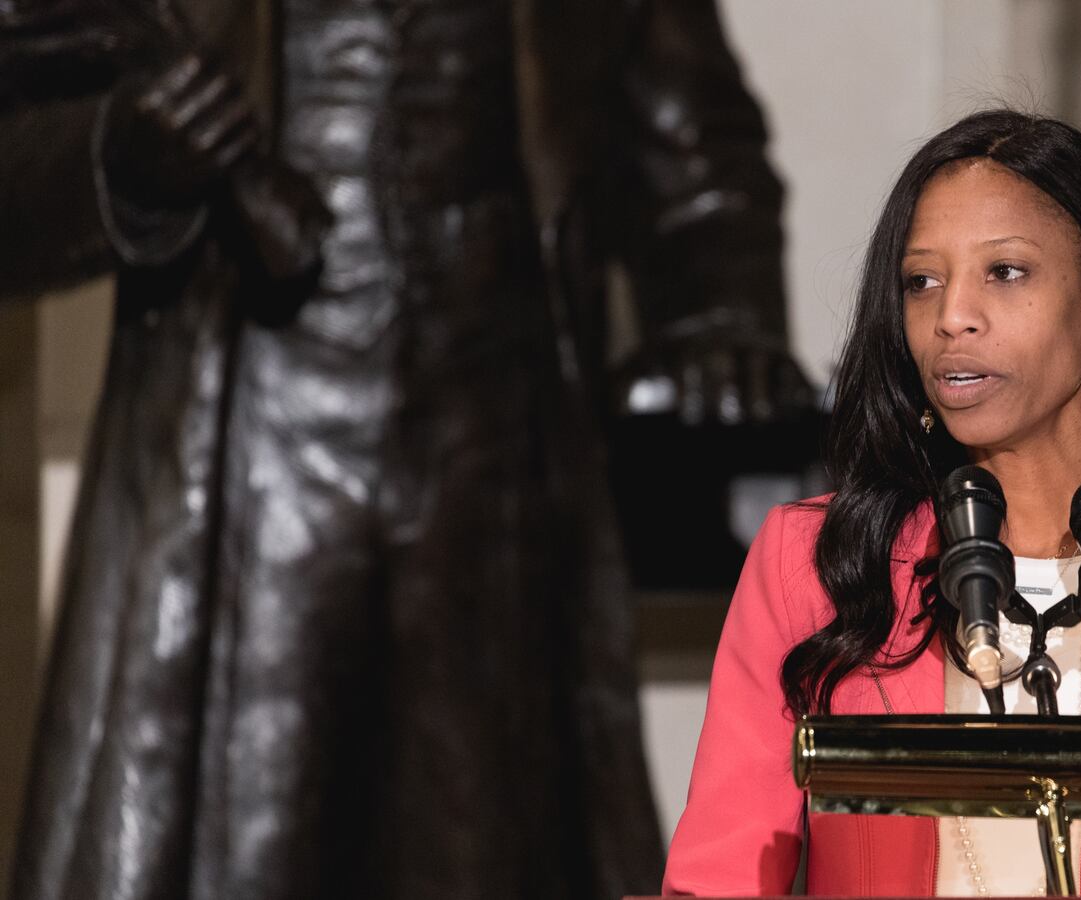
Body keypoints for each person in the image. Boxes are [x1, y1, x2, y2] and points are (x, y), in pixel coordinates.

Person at [0, 2, 810, 898]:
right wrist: (118, 156)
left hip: (495, 454)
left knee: (494, 849)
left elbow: (699, 147)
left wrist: (721, 316)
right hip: (242, 462)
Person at [662, 109, 1081, 896]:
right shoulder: (812, 566)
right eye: (923, 282)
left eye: (1004, 272)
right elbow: (718, 880)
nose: (952, 316)